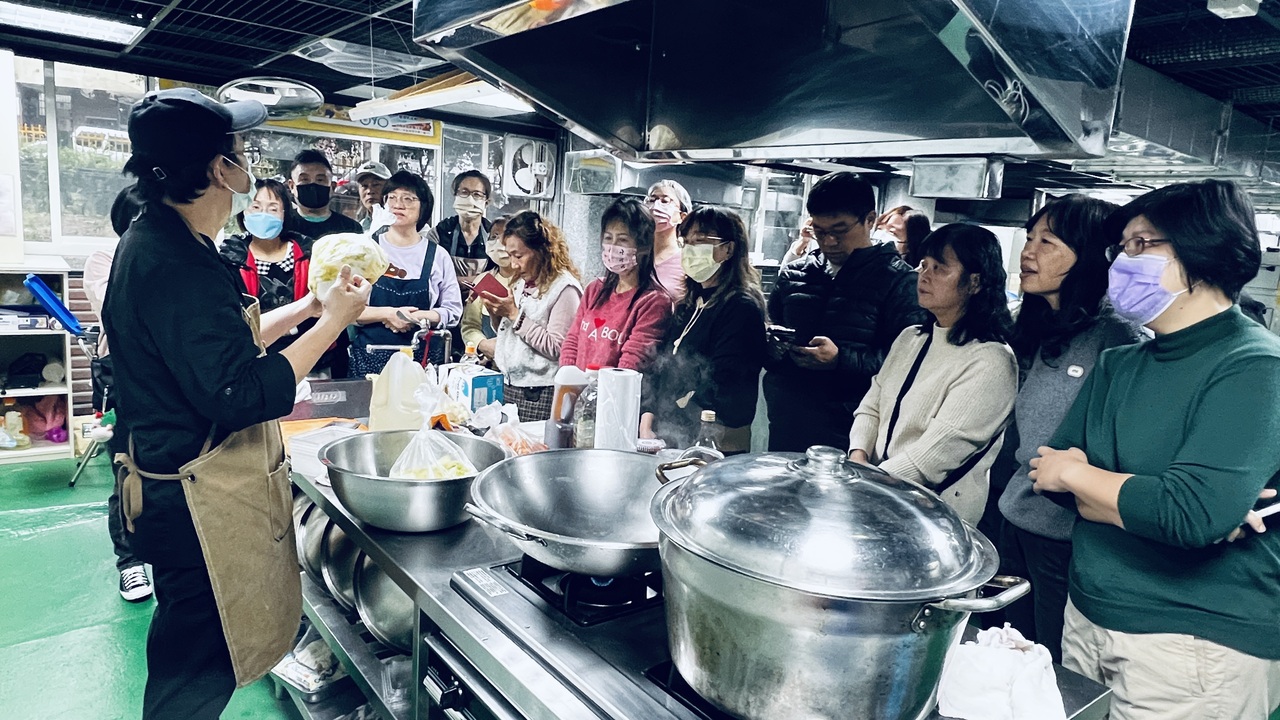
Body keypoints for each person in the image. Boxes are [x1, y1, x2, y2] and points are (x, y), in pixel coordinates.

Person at [103, 87, 370, 719]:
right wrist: (333, 324)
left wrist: (308, 307)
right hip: (193, 499)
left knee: (192, 651)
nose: (247, 164)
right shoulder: (171, 262)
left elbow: (226, 343)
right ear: (219, 169)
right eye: (239, 151)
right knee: (194, 669)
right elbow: (238, 392)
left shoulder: (171, 239)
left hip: (182, 485)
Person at [1030, 180, 1280, 720]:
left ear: (1204, 250)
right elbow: (1046, 476)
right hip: (1087, 613)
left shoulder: (1255, 364)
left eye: (1142, 244)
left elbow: (1189, 515)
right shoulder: (1120, 363)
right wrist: (1163, 505)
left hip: (1193, 643)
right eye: (1122, 247)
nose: (1123, 261)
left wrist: (1080, 476)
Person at [995, 195, 1142, 662]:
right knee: (1009, 650)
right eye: (1029, 238)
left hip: (1066, 536)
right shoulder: (1044, 327)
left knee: (1050, 662)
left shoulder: (1116, 336)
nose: (1028, 251)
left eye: (1048, 242)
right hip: (1017, 515)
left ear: (1091, 255)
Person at [847, 224, 1017, 525]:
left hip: (932, 513)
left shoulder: (991, 360)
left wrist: (863, 482)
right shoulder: (910, 338)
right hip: (876, 493)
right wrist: (858, 457)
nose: (924, 275)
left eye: (940, 268)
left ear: (975, 282)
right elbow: (871, 407)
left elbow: (932, 457)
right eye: (924, 265)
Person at [763, 172, 927, 452]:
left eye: (839, 231)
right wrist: (772, 346)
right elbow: (772, 333)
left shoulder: (900, 281)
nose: (829, 241)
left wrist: (841, 360)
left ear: (870, 220)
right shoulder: (794, 274)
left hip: (854, 435)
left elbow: (908, 365)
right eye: (819, 231)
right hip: (788, 422)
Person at [640, 207, 766, 453]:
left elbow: (723, 382)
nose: (690, 250)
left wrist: (674, 411)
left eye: (700, 242)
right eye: (686, 242)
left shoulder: (741, 307)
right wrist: (648, 416)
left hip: (712, 440)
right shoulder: (689, 304)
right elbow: (660, 363)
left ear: (728, 249)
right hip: (669, 433)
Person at [83, 184, 151, 602]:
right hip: (122, 378)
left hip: (171, 380)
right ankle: (130, 563)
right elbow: (122, 309)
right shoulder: (104, 260)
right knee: (127, 469)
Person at [350, 171, 463, 376]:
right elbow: (347, 309)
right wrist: (388, 314)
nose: (398, 204)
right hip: (370, 357)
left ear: (423, 207)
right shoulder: (366, 249)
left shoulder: (438, 255)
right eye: (391, 197)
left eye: (408, 199)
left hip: (422, 360)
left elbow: (452, 311)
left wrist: (413, 317)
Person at [482, 211, 582, 421]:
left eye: (519, 256)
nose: (513, 264)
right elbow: (512, 333)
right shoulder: (523, 282)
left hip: (539, 393)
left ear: (542, 251)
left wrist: (514, 314)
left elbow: (557, 348)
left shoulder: (565, 289)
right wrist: (496, 313)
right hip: (511, 385)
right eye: (510, 256)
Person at [561, 198, 672, 372]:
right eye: (608, 238)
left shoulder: (654, 301)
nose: (612, 247)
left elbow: (633, 361)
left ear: (644, 246)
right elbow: (572, 340)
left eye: (622, 240)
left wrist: (601, 388)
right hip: (579, 387)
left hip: (615, 388)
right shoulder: (594, 289)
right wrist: (568, 377)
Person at [460, 215, 514, 362]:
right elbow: (469, 326)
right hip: (489, 364)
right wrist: (483, 344)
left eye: (505, 236)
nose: (499, 242)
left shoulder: (531, 283)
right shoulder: (482, 281)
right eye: (494, 236)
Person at [431, 170, 494, 292]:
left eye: (477, 194)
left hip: (484, 301)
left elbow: (501, 275)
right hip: (445, 299)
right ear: (455, 197)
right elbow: (430, 273)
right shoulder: (439, 233)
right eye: (464, 192)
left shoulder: (494, 235)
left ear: (486, 202)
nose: (470, 199)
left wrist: (457, 281)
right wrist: (475, 281)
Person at [284, 149, 361, 238]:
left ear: (332, 187)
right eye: (304, 179)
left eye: (320, 180)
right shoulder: (283, 227)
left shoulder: (351, 229)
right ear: (291, 186)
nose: (313, 185)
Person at [645, 179, 692, 300]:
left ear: (682, 217)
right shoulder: (636, 255)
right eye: (651, 200)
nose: (656, 206)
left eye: (665, 201)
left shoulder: (688, 261)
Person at [353, 160, 391, 231]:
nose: (369, 191)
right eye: (364, 186)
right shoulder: (359, 226)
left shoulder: (399, 224)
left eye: (376, 185)